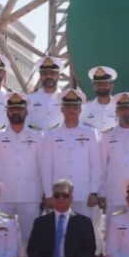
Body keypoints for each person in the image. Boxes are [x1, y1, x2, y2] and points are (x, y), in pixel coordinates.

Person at [0, 92, 44, 257]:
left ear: (26, 110)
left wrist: (44, 193)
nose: (16, 112)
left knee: (30, 242)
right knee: (0, 241)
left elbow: (42, 167)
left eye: (19, 108)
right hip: (4, 198)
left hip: (30, 196)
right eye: (12, 108)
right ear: (7, 111)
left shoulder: (37, 136)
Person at [28, 179, 96, 257]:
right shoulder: (40, 222)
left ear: (71, 198)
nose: (60, 198)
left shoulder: (84, 222)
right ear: (52, 198)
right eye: (56, 195)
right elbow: (32, 248)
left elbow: (89, 249)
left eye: (65, 195)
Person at [40, 88, 101, 219]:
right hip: (59, 195)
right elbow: (46, 166)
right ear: (62, 109)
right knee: (59, 233)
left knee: (84, 234)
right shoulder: (51, 134)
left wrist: (94, 191)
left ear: (80, 109)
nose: (71, 110)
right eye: (68, 107)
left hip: (83, 194)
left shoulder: (90, 133)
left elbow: (96, 165)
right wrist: (48, 193)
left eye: (75, 107)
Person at [26, 56, 65, 130]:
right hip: (37, 139)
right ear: (40, 76)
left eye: (52, 73)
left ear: (58, 76)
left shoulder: (65, 99)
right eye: (44, 73)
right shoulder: (30, 99)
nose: (48, 76)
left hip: (60, 139)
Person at [81, 66, 118, 131]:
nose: (101, 86)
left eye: (104, 84)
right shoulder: (85, 108)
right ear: (93, 86)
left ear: (111, 85)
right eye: (97, 84)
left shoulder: (120, 107)